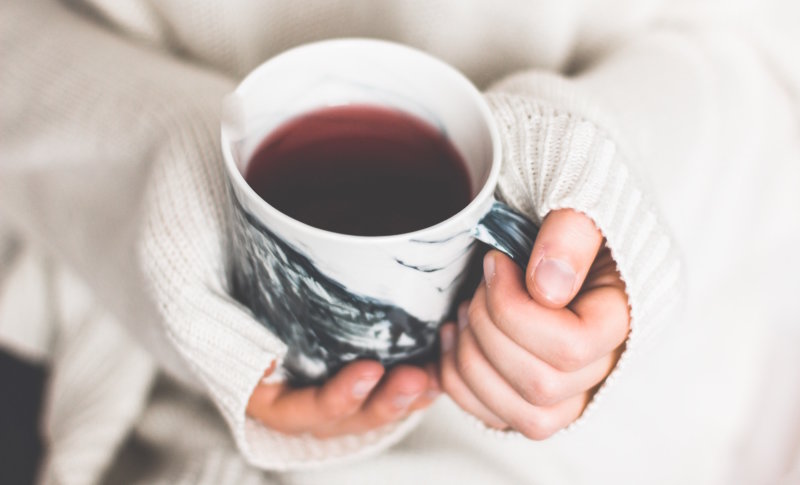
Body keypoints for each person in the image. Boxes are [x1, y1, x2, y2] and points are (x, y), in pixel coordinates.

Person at [1, 0, 799, 483]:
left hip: (601, 438)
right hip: (168, 388)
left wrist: (605, 174)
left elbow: (768, 76)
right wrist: (176, 179)